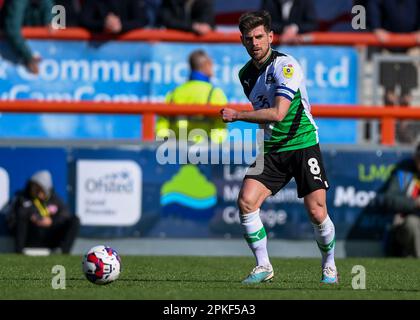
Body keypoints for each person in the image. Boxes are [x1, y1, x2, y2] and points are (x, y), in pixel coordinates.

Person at [221, 11, 337, 284]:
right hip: (273, 149)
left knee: (317, 211)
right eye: (248, 39)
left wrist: (237, 116)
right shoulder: (246, 74)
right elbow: (266, 116)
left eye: (260, 37)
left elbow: (278, 114)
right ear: (242, 41)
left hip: (302, 143)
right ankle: (264, 266)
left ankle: (329, 265)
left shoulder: (286, 65)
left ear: (271, 37)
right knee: (246, 201)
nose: (255, 43)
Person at [367, 0, 420, 144]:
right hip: (387, 47)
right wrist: (376, 28)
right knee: (389, 95)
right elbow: (372, 7)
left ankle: (404, 133)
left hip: (411, 47)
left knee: (406, 97)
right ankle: (387, 134)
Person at [157, 49, 228, 144]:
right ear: (207, 64)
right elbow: (220, 130)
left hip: (175, 152)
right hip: (202, 154)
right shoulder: (215, 93)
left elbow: (161, 127)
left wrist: (166, 145)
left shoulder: (173, 93)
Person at [6, 170, 79, 254]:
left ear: (47, 189)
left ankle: (63, 252)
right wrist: (33, 217)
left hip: (50, 236)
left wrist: (51, 221)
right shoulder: (22, 198)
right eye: (35, 187)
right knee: (21, 217)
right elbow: (12, 218)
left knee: (75, 220)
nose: (37, 192)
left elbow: (65, 214)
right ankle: (19, 252)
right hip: (30, 236)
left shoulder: (55, 199)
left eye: (41, 189)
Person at [382, 143, 420, 258]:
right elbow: (389, 199)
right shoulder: (404, 171)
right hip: (405, 226)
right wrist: (415, 203)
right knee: (412, 223)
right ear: (415, 157)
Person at [2, 0, 54, 74]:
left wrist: (50, 21)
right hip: (12, 54)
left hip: (35, 53)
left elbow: (50, 19)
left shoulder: (46, 2)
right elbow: (12, 30)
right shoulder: (17, 3)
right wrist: (28, 57)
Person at [80, 0, 149, 34]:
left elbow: (142, 20)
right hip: (96, 50)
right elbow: (83, 20)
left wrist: (121, 25)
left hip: (128, 49)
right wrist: (104, 24)